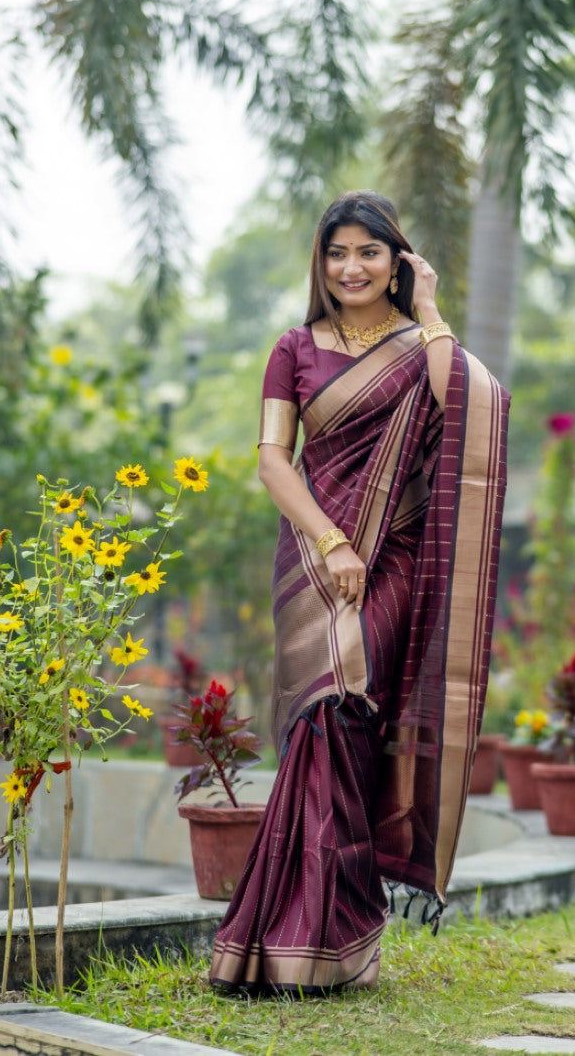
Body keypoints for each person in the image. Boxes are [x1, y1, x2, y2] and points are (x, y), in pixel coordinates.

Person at [209, 191, 509, 996]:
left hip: (399, 559)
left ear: (397, 260)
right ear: (322, 261)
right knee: (323, 720)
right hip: (312, 558)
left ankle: (324, 929)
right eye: (337, 253)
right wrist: (332, 540)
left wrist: (434, 311)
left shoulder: (422, 348)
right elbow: (274, 461)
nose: (351, 267)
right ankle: (302, 933)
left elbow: (474, 413)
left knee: (350, 714)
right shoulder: (293, 348)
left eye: (368, 253)